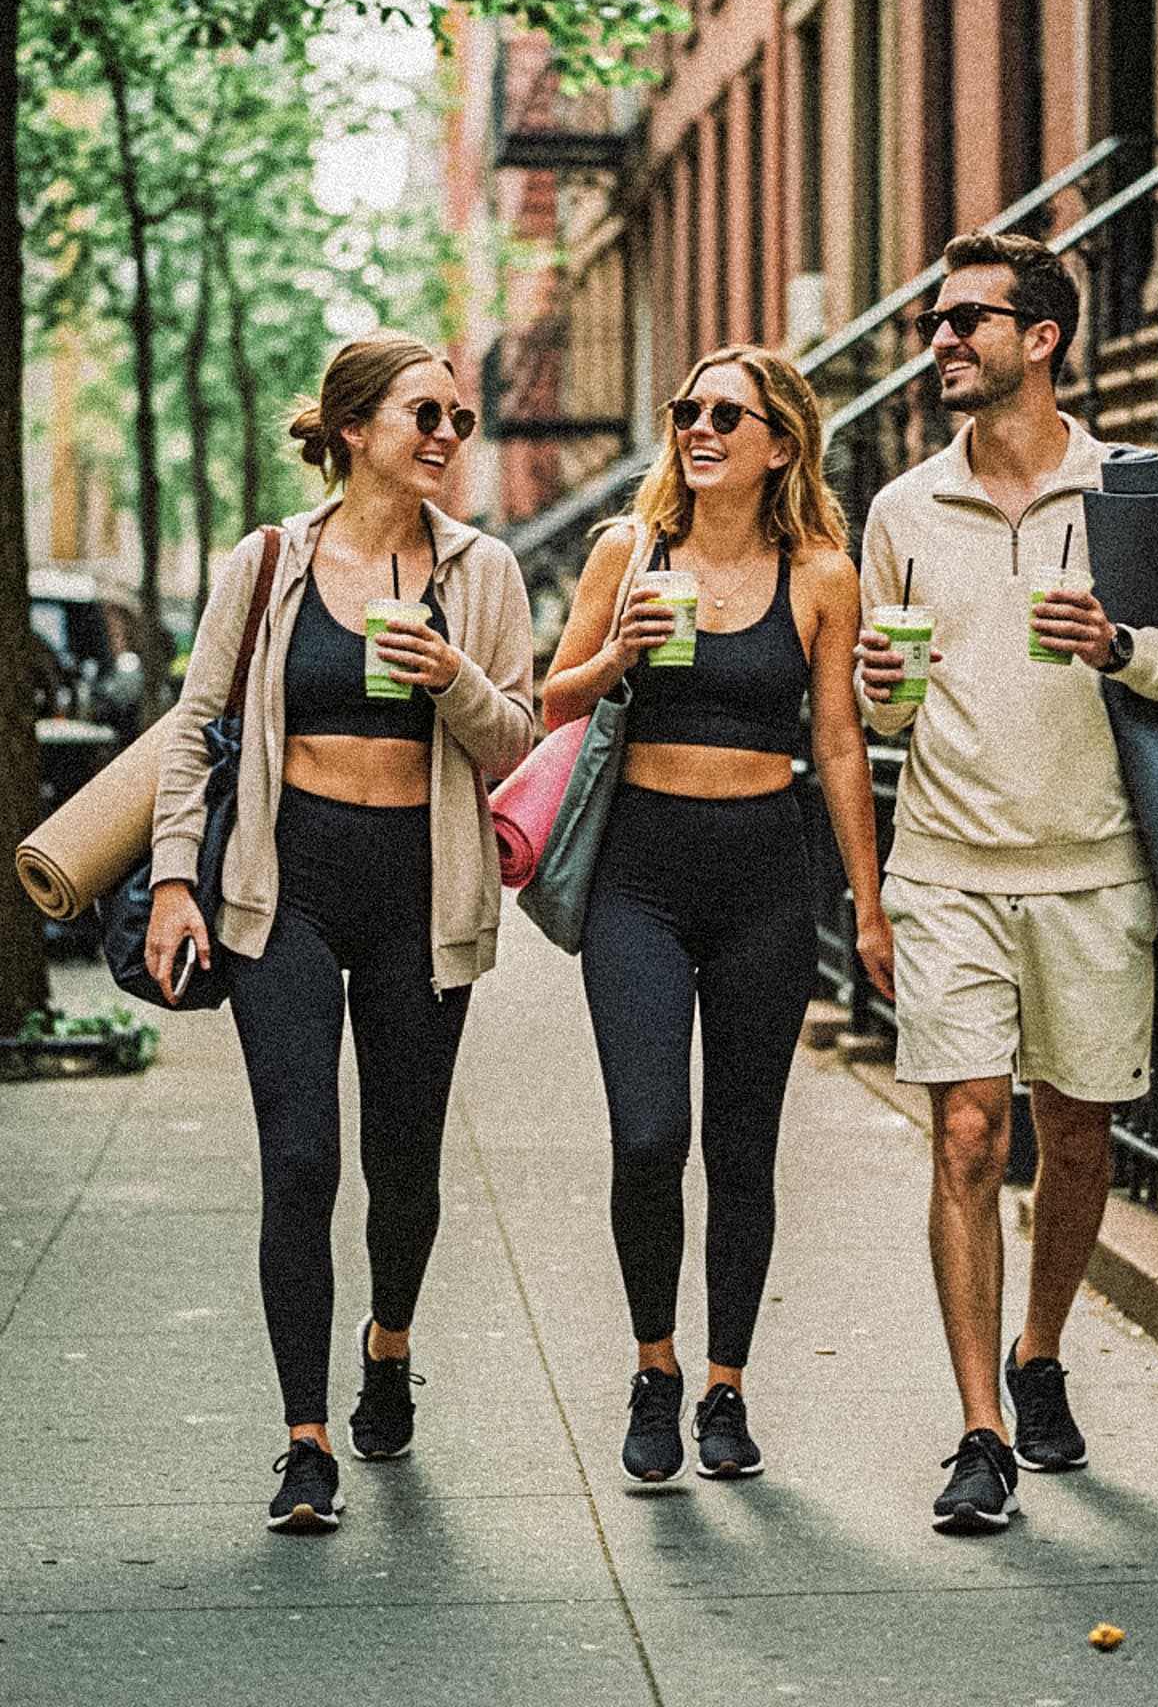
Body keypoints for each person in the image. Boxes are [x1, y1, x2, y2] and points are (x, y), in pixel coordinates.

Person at [856, 233, 1158, 1536]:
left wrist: (1121, 642)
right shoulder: (903, 508)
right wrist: (878, 690)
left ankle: (1039, 1353)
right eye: (936, 320)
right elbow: (889, 709)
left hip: (1093, 866)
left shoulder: (1134, 494)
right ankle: (980, 1432)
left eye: (968, 317)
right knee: (969, 1134)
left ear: (1042, 337)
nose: (942, 339)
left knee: (1074, 1133)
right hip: (949, 866)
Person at [145, 332, 533, 1533]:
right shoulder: (267, 562)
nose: (447, 434)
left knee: (403, 1168)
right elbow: (194, 724)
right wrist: (174, 878)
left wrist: (453, 676)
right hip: (286, 891)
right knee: (303, 1157)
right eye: (426, 413)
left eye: (460, 418)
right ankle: (305, 1439)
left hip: (423, 895)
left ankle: (389, 1341)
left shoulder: (482, 571)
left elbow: (516, 740)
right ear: (355, 429)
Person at [543, 346, 894, 1486]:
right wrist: (619, 652)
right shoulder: (628, 551)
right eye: (688, 409)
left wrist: (870, 908)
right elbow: (548, 701)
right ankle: (654, 1366)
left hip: (763, 879)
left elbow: (838, 743)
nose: (699, 427)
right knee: (650, 1136)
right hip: (638, 876)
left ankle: (725, 1384)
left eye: (726, 415)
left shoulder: (822, 573)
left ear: (780, 445)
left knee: (744, 1146)